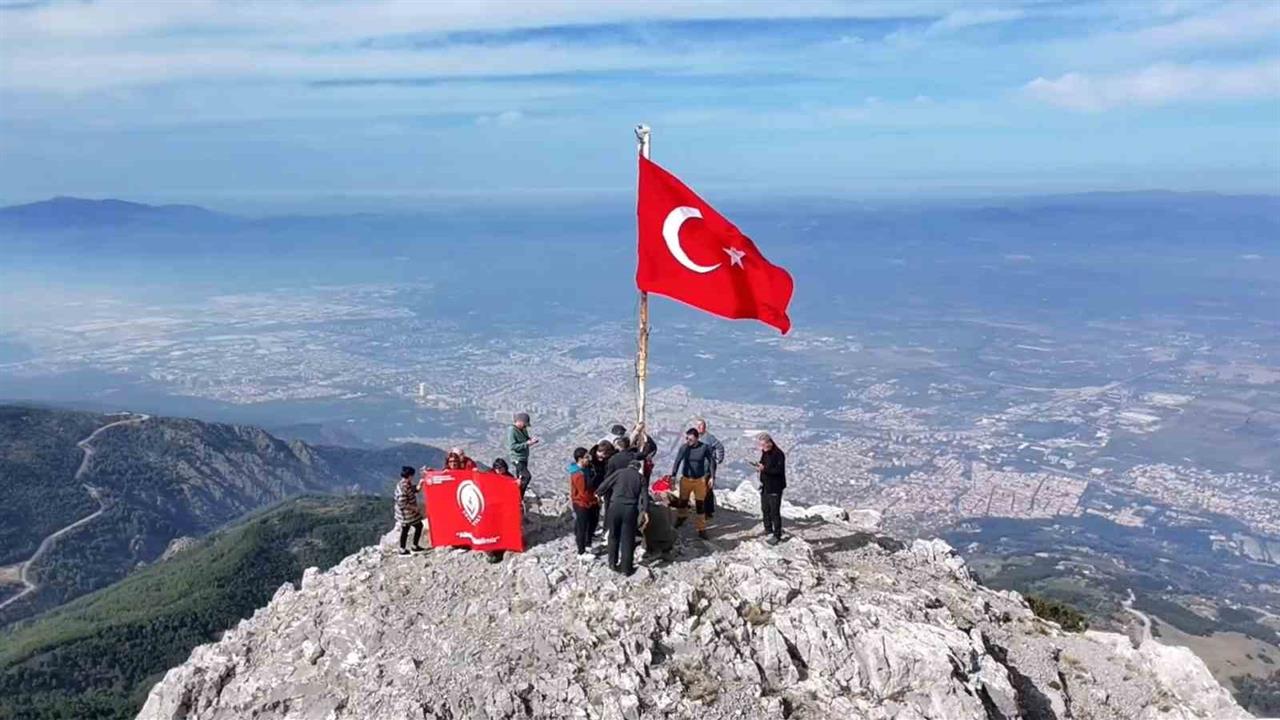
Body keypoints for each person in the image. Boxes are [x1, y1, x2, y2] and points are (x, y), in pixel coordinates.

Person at [595, 456, 649, 576]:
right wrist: (645, 511)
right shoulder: (641, 478)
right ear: (638, 468)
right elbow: (645, 496)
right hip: (630, 509)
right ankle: (626, 568)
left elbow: (605, 485)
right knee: (627, 538)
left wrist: (598, 494)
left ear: (629, 465)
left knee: (613, 535)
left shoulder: (619, 473)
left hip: (614, 507)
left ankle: (612, 564)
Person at [670, 428, 716, 539]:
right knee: (682, 501)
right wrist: (673, 475)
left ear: (696, 438)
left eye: (690, 438)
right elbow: (677, 461)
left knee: (700, 505)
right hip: (686, 479)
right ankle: (681, 518)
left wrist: (712, 477)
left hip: (699, 480)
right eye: (686, 438)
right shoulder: (684, 448)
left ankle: (701, 528)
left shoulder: (704, 448)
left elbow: (711, 462)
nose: (688, 440)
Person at [750, 433, 787, 545]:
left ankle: (777, 535)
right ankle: (768, 529)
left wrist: (764, 469)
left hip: (775, 487)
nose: (763, 448)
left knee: (774, 512)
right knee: (765, 509)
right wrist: (759, 466)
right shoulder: (765, 453)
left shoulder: (778, 454)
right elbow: (764, 463)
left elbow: (778, 471)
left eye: (764, 445)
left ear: (769, 443)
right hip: (765, 485)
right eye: (761, 445)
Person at [485, 457, 519, 564]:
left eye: (502, 468)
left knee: (502, 530)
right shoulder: (488, 476)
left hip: (503, 509)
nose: (500, 470)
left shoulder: (509, 477)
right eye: (498, 468)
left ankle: (501, 550)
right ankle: (491, 552)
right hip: (491, 508)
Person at [568, 447, 599, 558]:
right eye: (586, 457)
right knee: (582, 527)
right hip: (582, 503)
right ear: (580, 459)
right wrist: (594, 499)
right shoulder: (578, 475)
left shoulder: (586, 469)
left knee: (591, 523)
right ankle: (581, 552)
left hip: (589, 502)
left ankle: (587, 544)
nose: (588, 459)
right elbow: (583, 492)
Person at [695, 418, 725, 518]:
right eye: (698, 425)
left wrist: (718, 459)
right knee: (706, 489)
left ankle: (705, 512)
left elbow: (720, 447)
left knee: (704, 489)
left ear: (705, 427)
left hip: (708, 468)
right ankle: (708, 510)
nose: (699, 427)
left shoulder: (709, 438)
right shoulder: (695, 437)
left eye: (701, 425)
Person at [394, 466, 426, 555]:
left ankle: (404, 548)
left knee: (407, 529)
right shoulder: (403, 486)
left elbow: (413, 490)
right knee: (417, 526)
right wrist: (414, 508)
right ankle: (410, 547)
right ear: (410, 475)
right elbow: (402, 502)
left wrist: (420, 484)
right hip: (407, 514)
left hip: (406, 513)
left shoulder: (404, 484)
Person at [507, 411, 539, 497]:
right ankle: (519, 495)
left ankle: (517, 495)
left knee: (520, 478)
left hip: (524, 457)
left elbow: (525, 439)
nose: (525, 426)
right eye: (525, 424)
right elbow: (513, 446)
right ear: (520, 422)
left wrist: (531, 440)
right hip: (517, 458)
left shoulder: (523, 429)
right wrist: (527, 443)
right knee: (526, 476)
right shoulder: (512, 430)